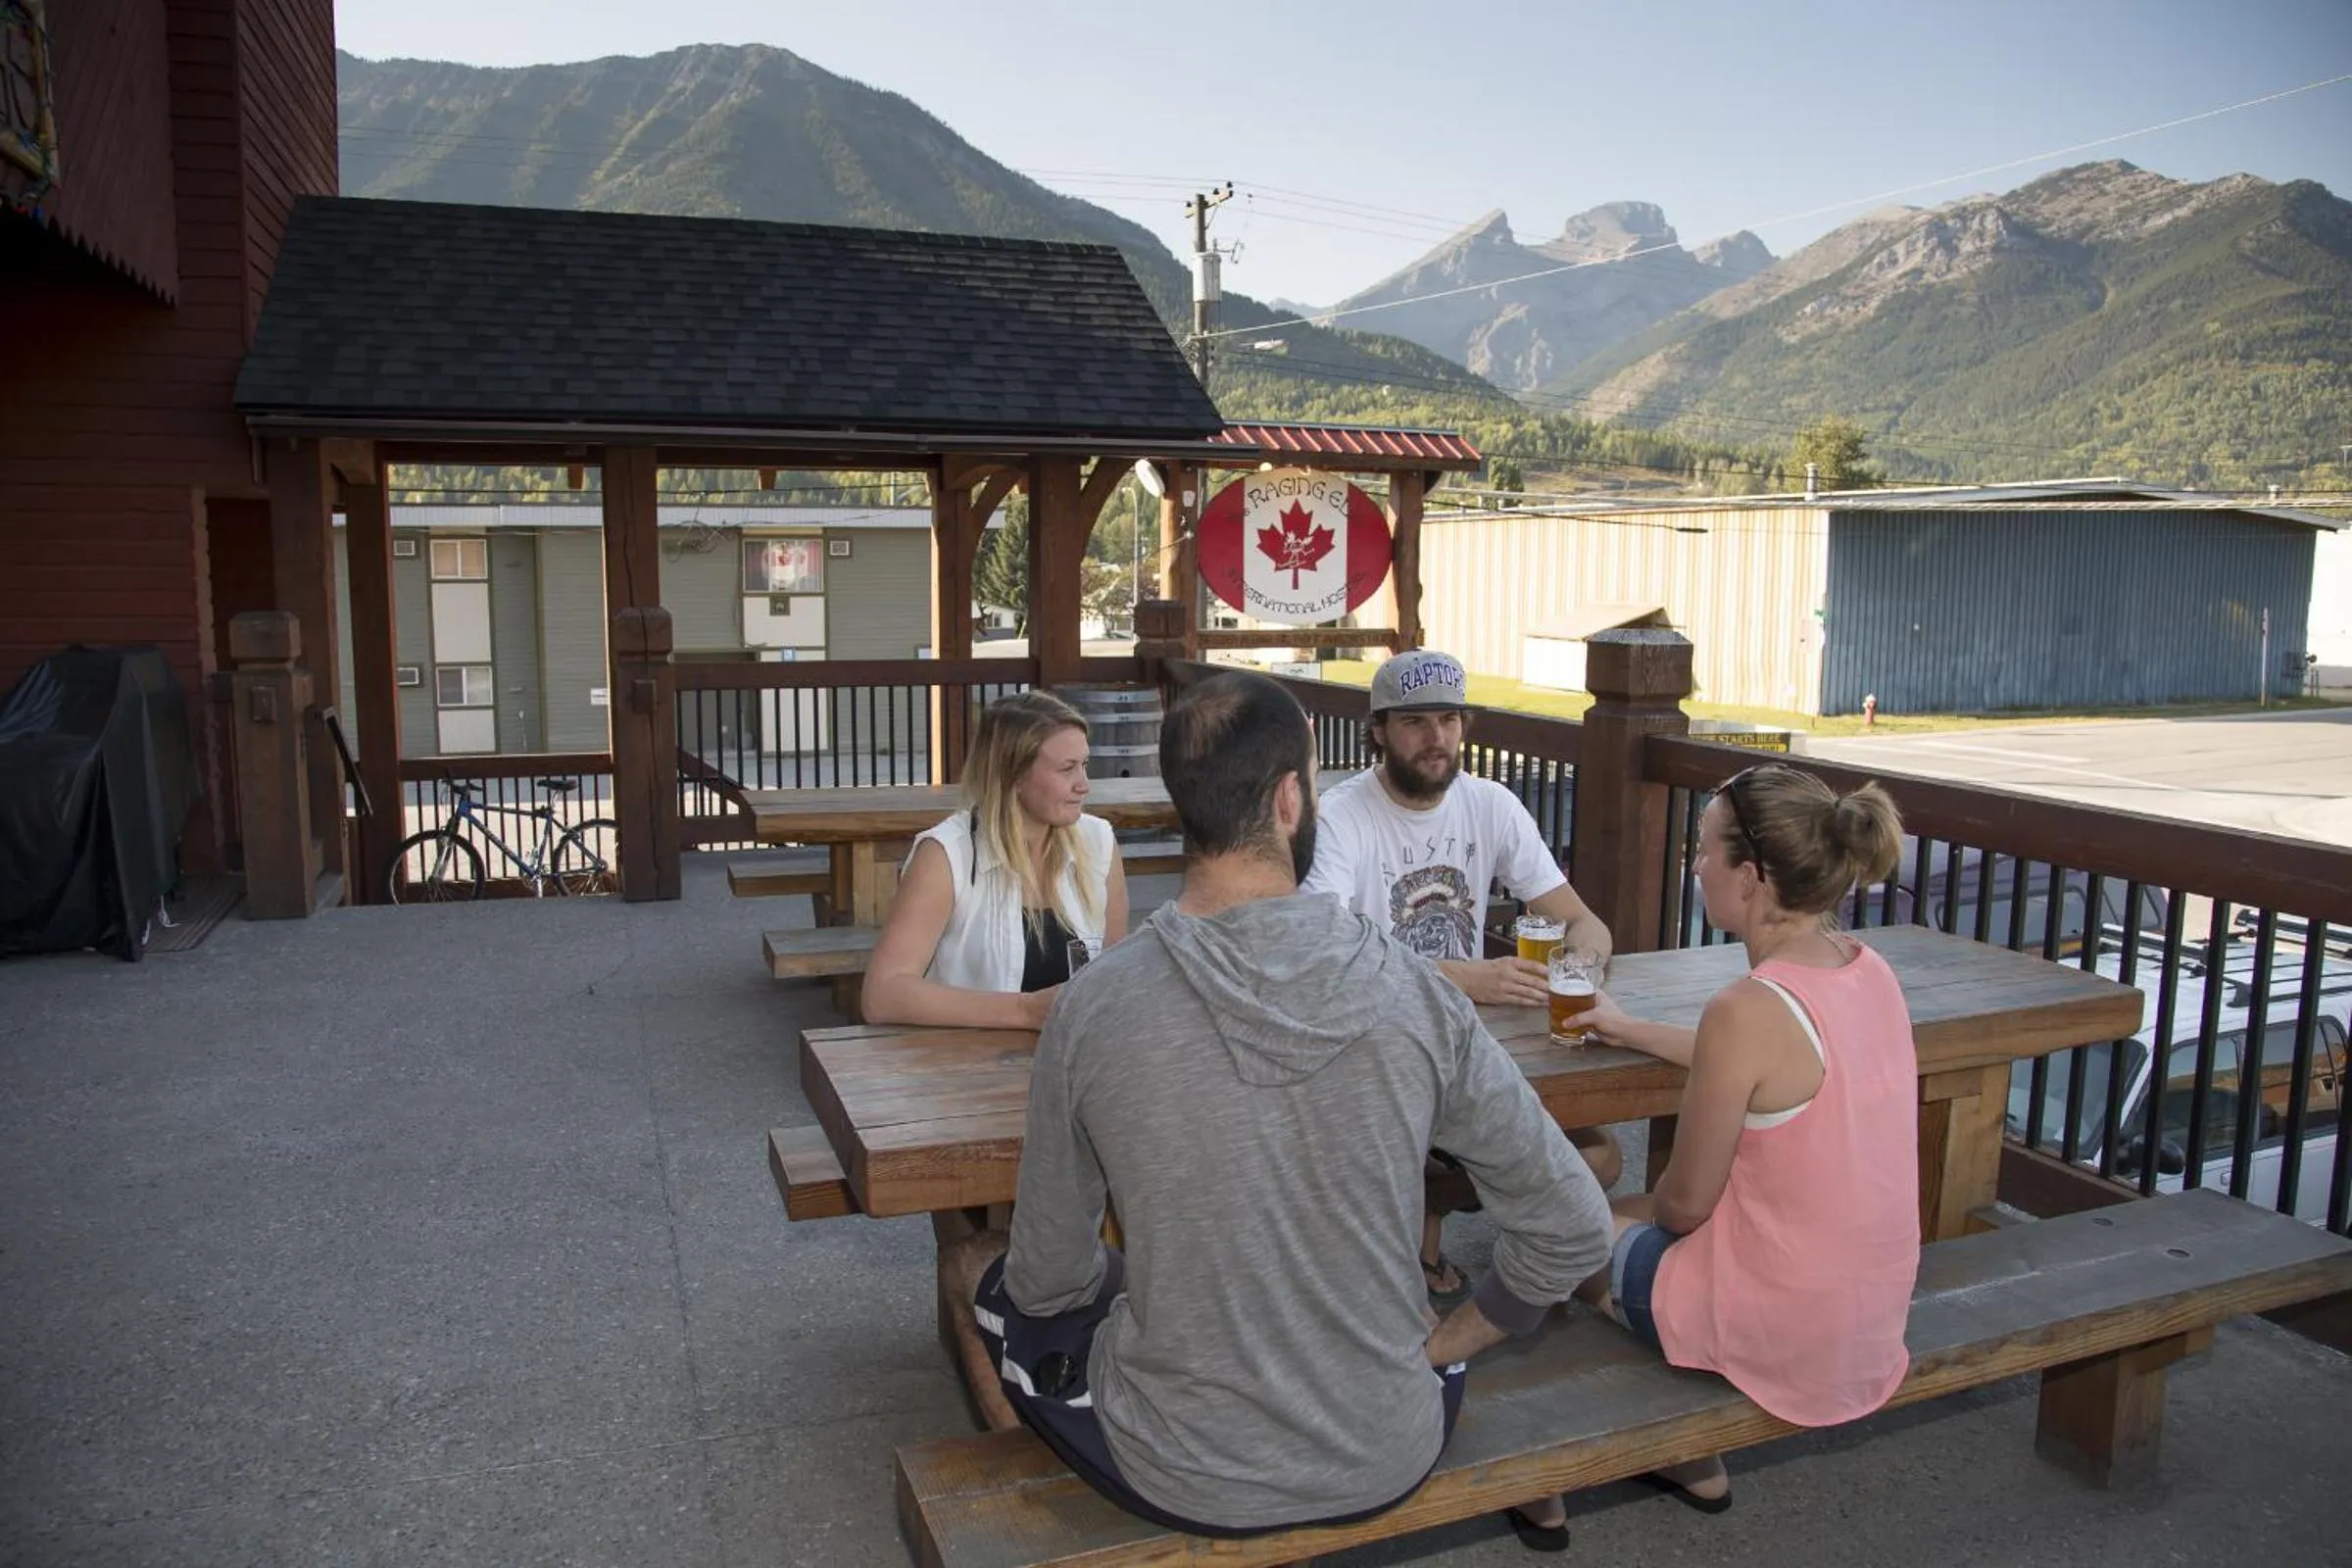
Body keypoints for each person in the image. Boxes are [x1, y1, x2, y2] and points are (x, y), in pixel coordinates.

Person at [938, 669, 1615, 1538]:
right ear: (1292, 800)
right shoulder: (1416, 991)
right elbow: (1571, 1225)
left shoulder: (1093, 1007)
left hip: (1182, 1467)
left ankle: (1023, 1525)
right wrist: (1452, 1342)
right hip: (1392, 1440)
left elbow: (1049, 1280)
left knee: (974, 1272)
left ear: (1184, 802)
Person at [1506, 762, 1920, 1545]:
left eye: (1705, 850)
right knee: (1602, 1221)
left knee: (1552, 1231)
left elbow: (1681, 1207)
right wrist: (1627, 1028)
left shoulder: (1746, 1009)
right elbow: (1775, 1064)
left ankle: (1545, 1461)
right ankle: (1683, 1455)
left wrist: (1637, 1203)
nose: (1695, 865)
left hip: (1781, 1330)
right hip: (1866, 1319)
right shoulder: (1870, 971)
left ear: (1753, 877)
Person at [1301, 648, 1622, 1306]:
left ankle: (1472, 1238)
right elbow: (1324, 952)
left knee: (1601, 1158)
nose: (1437, 738)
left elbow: (1585, 924)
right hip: (1372, 1046)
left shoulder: (1491, 805)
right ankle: (1424, 1238)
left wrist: (1577, 972)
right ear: (1380, 730)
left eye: (1450, 719)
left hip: (1472, 1050)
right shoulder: (1340, 815)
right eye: (1417, 722)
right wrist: (1463, 977)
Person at [861, 690, 1127, 1029]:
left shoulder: (1098, 841)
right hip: (967, 1065)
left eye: (1085, 765)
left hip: (1075, 1058)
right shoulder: (947, 854)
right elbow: (882, 995)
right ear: (1013, 775)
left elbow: (1115, 973)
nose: (1084, 785)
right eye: (1067, 769)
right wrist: (1026, 1010)